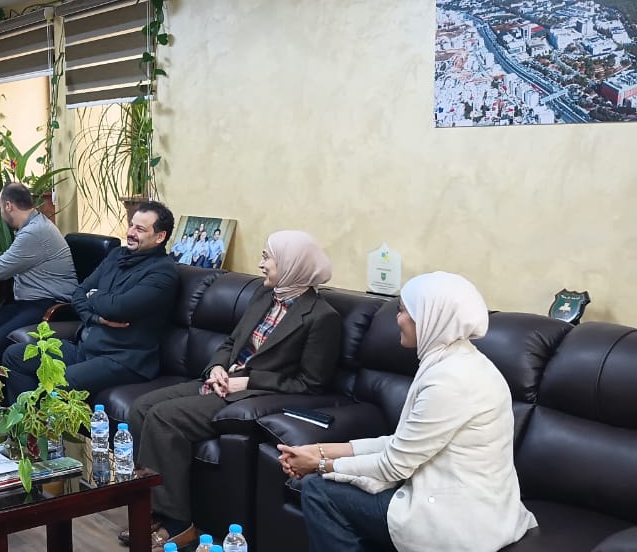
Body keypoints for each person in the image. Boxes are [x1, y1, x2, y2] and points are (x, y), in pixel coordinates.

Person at [278, 272, 536, 552]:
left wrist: (317, 465)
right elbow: (403, 442)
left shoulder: (450, 381)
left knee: (319, 491)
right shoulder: (459, 361)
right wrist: (320, 450)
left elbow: (394, 465)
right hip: (466, 499)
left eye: (402, 311)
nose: (397, 319)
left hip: (458, 517)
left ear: (428, 318)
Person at [123, 230, 341, 550]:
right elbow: (230, 343)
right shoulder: (265, 295)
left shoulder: (322, 317)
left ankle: (178, 524)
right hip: (224, 381)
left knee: (165, 417)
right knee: (141, 407)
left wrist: (250, 381)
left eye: (268, 258)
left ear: (291, 264)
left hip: (254, 397)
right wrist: (217, 367)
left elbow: (311, 383)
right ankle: (152, 509)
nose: (261, 264)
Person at [0, 201, 178, 403]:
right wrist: (95, 318)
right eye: (131, 225)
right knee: (15, 355)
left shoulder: (163, 272)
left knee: (60, 381)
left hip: (123, 359)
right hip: (85, 348)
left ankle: (45, 422)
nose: (130, 233)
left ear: (160, 237)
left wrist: (93, 295)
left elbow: (117, 309)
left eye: (140, 229)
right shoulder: (117, 255)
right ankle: (26, 421)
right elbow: (78, 293)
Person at [0, 183, 77, 363]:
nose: (0, 213)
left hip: (48, 304)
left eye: (0, 208)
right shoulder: (35, 224)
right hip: (28, 302)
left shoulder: (34, 232)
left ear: (8, 206)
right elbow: (17, 262)